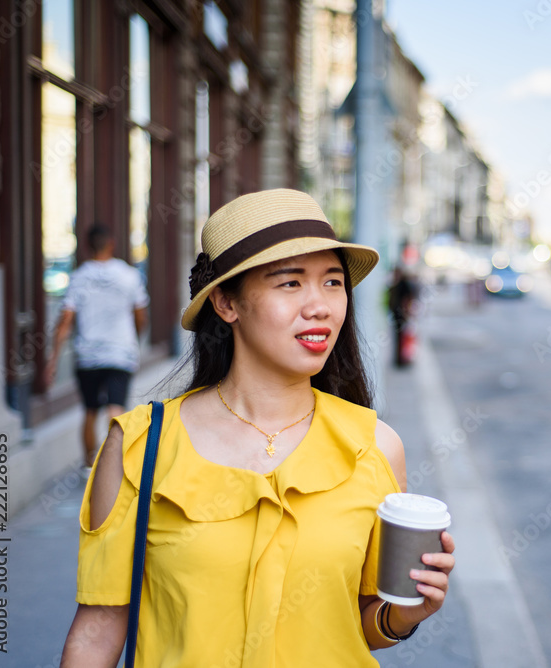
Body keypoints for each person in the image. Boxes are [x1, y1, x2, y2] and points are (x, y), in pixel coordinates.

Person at [59, 189, 455, 667]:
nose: (320, 306)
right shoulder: (142, 445)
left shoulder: (374, 446)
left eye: (332, 283)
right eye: (290, 284)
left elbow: (358, 623)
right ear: (227, 303)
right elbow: (99, 629)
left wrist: (406, 613)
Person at [45, 224, 149, 474]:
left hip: (88, 355)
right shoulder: (129, 275)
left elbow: (65, 321)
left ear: (87, 246)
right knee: (116, 409)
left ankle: (89, 465)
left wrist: (53, 358)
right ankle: (116, 466)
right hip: (120, 352)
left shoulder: (80, 276)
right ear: (111, 243)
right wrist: (134, 339)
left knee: (90, 410)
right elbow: (140, 315)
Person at [388, 266, 419, 367]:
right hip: (397, 315)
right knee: (399, 337)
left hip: (402, 315)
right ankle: (400, 359)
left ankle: (403, 358)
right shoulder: (397, 284)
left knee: (403, 337)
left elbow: (408, 299)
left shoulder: (403, 284)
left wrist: (407, 313)